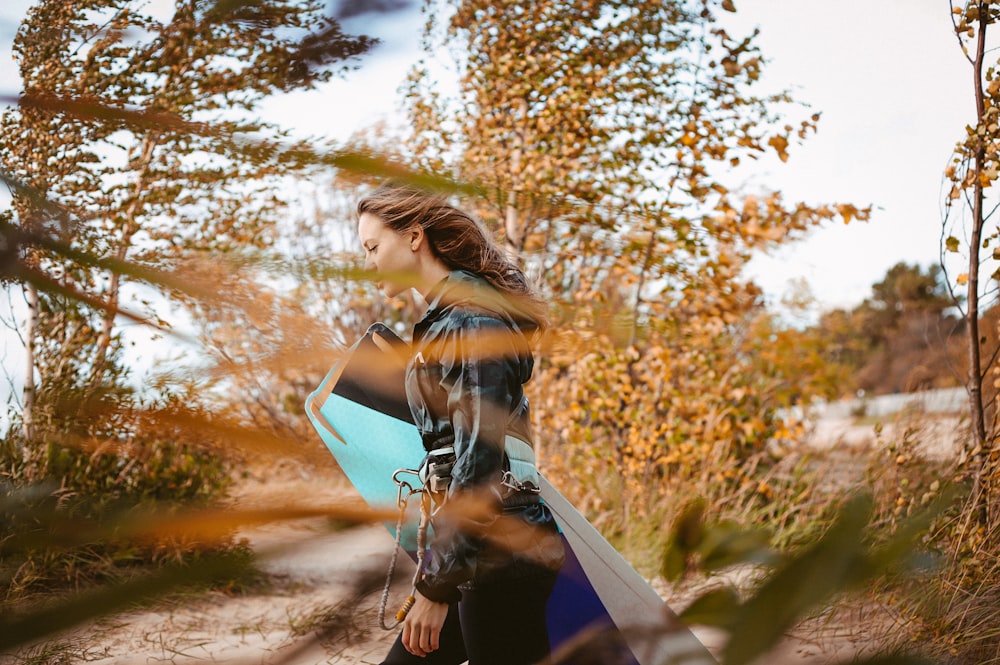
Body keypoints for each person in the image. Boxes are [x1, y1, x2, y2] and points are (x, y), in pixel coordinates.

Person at [356, 182, 565, 665]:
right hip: (476, 551)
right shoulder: (446, 320)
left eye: (372, 247)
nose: (366, 264)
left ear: (412, 236)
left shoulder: (471, 320)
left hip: (499, 555)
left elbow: (480, 459)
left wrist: (437, 586)